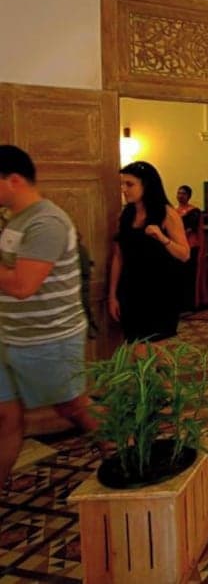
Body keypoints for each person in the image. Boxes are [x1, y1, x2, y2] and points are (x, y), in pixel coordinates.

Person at [0, 145, 99, 492]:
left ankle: (128, 454)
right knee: (6, 417)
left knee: (74, 407)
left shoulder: (47, 222)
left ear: (13, 180)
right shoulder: (15, 219)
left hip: (48, 337)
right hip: (11, 334)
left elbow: (22, 285)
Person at [108, 161, 190, 343]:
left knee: (157, 347)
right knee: (135, 345)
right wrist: (112, 295)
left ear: (146, 185)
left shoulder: (167, 214)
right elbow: (118, 257)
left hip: (159, 291)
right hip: (131, 290)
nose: (124, 189)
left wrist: (162, 238)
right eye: (122, 184)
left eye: (130, 184)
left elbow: (184, 254)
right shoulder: (125, 216)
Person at [175, 185, 205, 312]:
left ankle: (191, 303)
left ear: (188, 196)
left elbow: (190, 229)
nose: (180, 196)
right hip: (177, 247)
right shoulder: (174, 211)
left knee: (190, 275)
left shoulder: (194, 211)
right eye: (179, 193)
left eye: (183, 193)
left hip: (190, 246)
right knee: (179, 276)